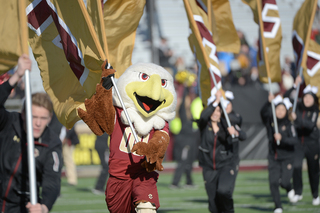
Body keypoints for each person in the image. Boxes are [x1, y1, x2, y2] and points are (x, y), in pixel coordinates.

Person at [0, 54, 63, 213]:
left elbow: (52, 182)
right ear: (23, 114)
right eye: (34, 117)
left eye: (43, 118)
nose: (38, 123)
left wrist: (44, 207)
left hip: (21, 206)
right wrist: (17, 76)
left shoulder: (51, 142)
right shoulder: (9, 123)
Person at [197, 90, 240, 213]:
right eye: (213, 110)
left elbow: (241, 135)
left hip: (225, 165)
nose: (215, 113)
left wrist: (235, 133)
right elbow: (203, 116)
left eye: (218, 110)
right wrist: (216, 101)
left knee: (223, 191)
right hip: (209, 167)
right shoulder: (204, 125)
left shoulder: (226, 125)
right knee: (213, 203)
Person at [260, 94, 298, 213]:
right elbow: (263, 113)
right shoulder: (271, 121)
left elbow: (294, 140)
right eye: (277, 109)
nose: (280, 112)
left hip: (287, 157)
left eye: (282, 109)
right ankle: (278, 206)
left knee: (285, 182)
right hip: (274, 157)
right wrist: (268, 102)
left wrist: (282, 139)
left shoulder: (289, 124)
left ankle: (289, 188)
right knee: (273, 182)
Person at [290, 84, 320, 205]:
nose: (307, 100)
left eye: (310, 98)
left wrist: (296, 119)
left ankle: (315, 194)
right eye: (305, 97)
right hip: (298, 143)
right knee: (296, 166)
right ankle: (298, 192)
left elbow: (309, 125)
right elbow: (287, 97)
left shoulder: (315, 111)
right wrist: (295, 85)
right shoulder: (297, 107)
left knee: (313, 170)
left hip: (312, 144)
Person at [170, 87, 199, 189]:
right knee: (183, 161)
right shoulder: (183, 113)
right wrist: (186, 85)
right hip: (184, 140)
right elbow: (182, 105)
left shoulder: (191, 113)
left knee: (189, 162)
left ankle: (189, 182)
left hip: (191, 140)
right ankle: (175, 182)